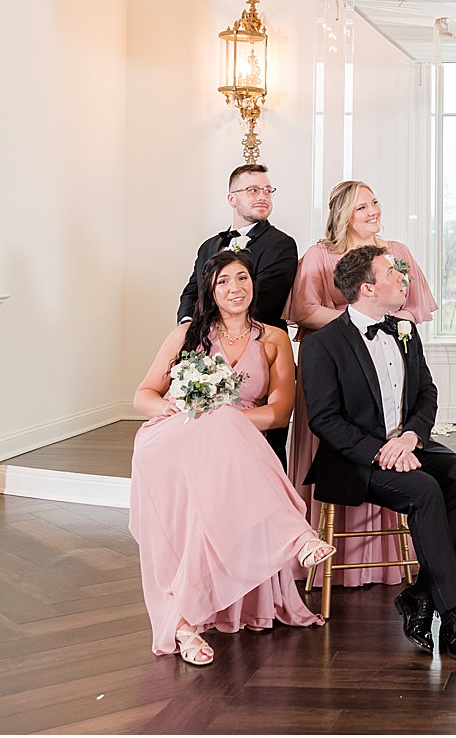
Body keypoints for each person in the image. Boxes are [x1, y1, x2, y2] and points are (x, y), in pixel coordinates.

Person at [130, 250, 332, 666]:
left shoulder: (274, 338)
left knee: (223, 430)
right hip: (176, 439)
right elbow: (143, 395)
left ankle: (185, 622)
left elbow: (279, 412)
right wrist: (176, 409)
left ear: (253, 284)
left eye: (241, 278)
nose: (234, 288)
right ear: (210, 289)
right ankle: (297, 535)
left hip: (238, 439)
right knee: (217, 422)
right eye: (223, 281)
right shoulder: (187, 334)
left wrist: (225, 419)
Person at [299, 245, 456, 661]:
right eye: (392, 273)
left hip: (408, 445)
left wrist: (409, 439)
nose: (403, 277)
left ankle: (421, 596)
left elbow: (426, 393)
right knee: (423, 490)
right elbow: (325, 421)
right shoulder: (322, 346)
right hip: (355, 459)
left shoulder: (405, 329)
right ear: (367, 288)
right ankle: (453, 617)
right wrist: (381, 451)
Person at [284, 181, 438, 584]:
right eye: (361, 207)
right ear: (342, 216)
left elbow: (413, 310)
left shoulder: (398, 253)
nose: (373, 211)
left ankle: (386, 563)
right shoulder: (319, 256)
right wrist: (356, 325)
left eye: (374, 202)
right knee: (343, 446)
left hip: (386, 380)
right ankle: (320, 554)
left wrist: (383, 324)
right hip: (335, 376)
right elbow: (305, 311)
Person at [176, 163, 300, 464]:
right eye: (253, 190)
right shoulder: (209, 246)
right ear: (232, 198)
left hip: (261, 351)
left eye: (267, 190)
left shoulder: (281, 245)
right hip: (207, 350)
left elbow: (264, 299)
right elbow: (192, 292)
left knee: (265, 451)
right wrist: (190, 330)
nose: (263, 196)